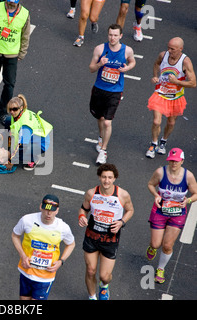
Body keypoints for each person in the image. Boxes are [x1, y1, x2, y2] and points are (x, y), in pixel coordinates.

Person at [78, 163, 134, 300]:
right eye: (104, 177)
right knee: (90, 270)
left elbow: (130, 210)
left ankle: (104, 286)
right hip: (91, 236)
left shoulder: (123, 195)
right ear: (99, 177)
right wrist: (81, 217)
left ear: (115, 178)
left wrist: (121, 222)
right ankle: (92, 297)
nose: (106, 181)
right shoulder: (91, 193)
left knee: (104, 276)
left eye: (110, 177)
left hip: (110, 239)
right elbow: (84, 209)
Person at [146, 148, 197, 284]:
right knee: (156, 244)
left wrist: (188, 201)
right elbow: (150, 184)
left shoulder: (188, 176)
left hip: (177, 214)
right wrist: (156, 195)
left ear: (182, 161)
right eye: (171, 161)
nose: (173, 163)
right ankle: (152, 247)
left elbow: (195, 193)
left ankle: (160, 269)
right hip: (160, 211)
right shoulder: (160, 172)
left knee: (168, 245)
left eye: (176, 161)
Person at [12, 194, 75, 300]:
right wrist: (23, 256)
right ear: (41, 206)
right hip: (26, 272)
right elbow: (15, 236)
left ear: (57, 211)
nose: (48, 213)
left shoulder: (63, 228)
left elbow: (71, 244)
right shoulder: (27, 220)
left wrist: (61, 261)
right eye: (46, 209)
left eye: (52, 210)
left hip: (45, 277)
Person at [88, 23, 135, 164]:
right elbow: (91, 68)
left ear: (120, 36)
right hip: (99, 89)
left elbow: (133, 62)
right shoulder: (100, 49)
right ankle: (101, 138)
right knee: (100, 119)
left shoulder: (127, 50)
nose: (112, 38)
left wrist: (127, 68)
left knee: (107, 122)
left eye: (115, 35)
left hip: (115, 91)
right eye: (110, 35)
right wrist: (99, 64)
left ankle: (103, 151)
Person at [145, 37, 196, 159]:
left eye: (172, 49)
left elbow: (193, 83)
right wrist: (155, 76)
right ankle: (153, 144)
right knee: (157, 121)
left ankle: (163, 141)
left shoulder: (185, 62)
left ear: (180, 49)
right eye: (168, 47)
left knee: (171, 122)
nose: (169, 50)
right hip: (160, 93)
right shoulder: (163, 55)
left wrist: (177, 82)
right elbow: (156, 64)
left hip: (175, 97)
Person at [3, 94, 52, 171]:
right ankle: (7, 147)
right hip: (32, 137)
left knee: (21, 154)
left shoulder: (25, 127)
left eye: (15, 109)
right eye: (10, 109)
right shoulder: (21, 113)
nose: (12, 112)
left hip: (40, 144)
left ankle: (33, 159)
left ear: (21, 108)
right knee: (8, 120)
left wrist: (10, 162)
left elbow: (22, 145)